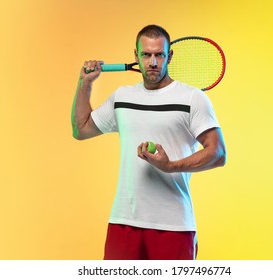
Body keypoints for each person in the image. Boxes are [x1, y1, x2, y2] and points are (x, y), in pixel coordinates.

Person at [71, 24, 226, 260]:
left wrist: (170, 165)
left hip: (174, 226)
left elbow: (218, 153)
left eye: (159, 54)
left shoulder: (193, 98)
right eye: (146, 55)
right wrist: (85, 84)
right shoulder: (122, 97)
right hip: (123, 222)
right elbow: (80, 129)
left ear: (169, 56)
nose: (153, 62)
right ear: (136, 56)